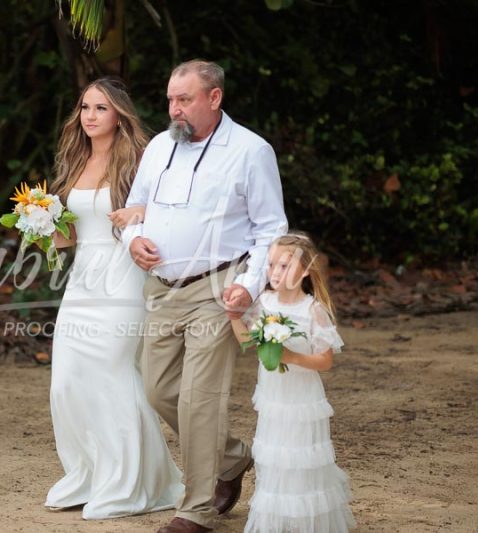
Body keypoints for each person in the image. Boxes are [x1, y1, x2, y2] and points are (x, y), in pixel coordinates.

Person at [122, 60, 288, 533]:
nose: (174, 109)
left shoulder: (251, 151)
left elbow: (270, 229)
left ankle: (194, 510)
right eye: (171, 99)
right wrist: (132, 240)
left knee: (200, 398)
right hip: (161, 288)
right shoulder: (159, 147)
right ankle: (234, 457)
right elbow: (136, 209)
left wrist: (250, 284)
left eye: (185, 100)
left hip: (219, 287)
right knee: (157, 389)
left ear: (214, 98)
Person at [45, 76, 184, 519]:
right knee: (67, 379)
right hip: (83, 276)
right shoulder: (73, 161)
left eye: (101, 108)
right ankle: (89, 473)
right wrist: (40, 225)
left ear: (119, 113)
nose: (90, 116)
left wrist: (141, 212)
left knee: (111, 371)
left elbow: (168, 207)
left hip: (124, 274)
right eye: (85, 107)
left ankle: (130, 483)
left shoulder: (140, 159)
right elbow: (68, 238)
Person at [231, 232, 356, 532]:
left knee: (300, 457)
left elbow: (325, 360)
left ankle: (305, 523)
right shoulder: (264, 302)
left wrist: (291, 356)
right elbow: (248, 341)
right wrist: (234, 315)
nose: (274, 272)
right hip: (274, 396)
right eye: (271, 264)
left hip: (301, 398)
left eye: (284, 266)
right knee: (274, 456)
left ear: (305, 271)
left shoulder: (312, 310)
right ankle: (278, 522)